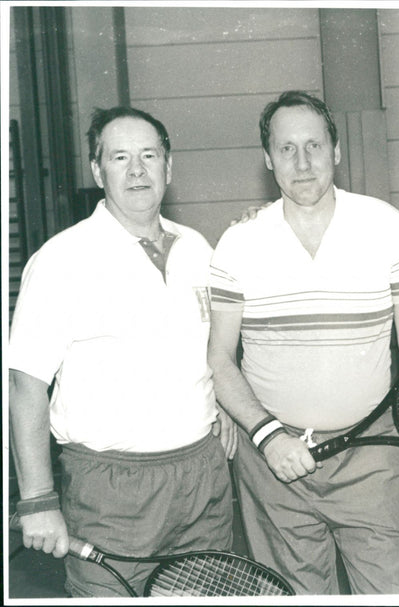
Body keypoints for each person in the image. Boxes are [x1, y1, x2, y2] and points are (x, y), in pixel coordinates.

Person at [207, 90, 399, 595]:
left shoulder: (382, 223)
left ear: (336, 151)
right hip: (273, 462)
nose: (302, 163)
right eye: (287, 148)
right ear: (268, 158)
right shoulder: (239, 242)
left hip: (371, 453)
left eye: (314, 146)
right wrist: (269, 436)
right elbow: (220, 360)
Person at [8, 106, 235, 597]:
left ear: (168, 167)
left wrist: (225, 409)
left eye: (149, 155)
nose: (137, 170)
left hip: (202, 479)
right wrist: (37, 499)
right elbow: (25, 385)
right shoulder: (61, 260)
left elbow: (213, 350)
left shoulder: (198, 249)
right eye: (119, 157)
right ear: (97, 171)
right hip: (109, 490)